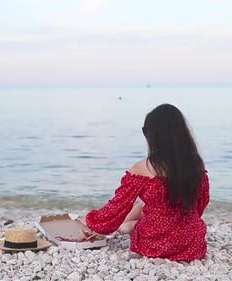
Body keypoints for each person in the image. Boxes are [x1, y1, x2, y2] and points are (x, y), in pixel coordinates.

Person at [82, 103, 209, 261]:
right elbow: (200, 203)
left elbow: (116, 208)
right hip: (191, 244)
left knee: (134, 217)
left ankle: (126, 227)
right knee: (151, 203)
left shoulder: (144, 167)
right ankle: (129, 225)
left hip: (154, 243)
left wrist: (91, 221)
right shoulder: (197, 164)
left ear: (155, 135)